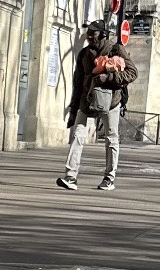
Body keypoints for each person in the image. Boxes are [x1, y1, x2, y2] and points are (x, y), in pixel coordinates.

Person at [56, 20, 137, 192]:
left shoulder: (116, 49)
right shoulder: (84, 53)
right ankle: (70, 176)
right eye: (88, 32)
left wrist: (108, 78)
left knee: (111, 138)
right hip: (86, 101)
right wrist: (73, 108)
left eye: (93, 32)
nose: (89, 36)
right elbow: (77, 83)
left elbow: (132, 73)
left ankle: (109, 178)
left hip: (111, 102)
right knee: (78, 135)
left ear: (103, 34)